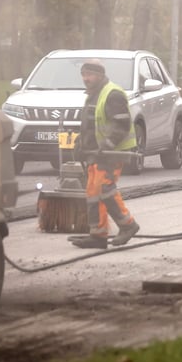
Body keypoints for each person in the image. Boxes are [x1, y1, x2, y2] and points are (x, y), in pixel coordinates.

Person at [71, 59, 140, 249]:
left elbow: (122, 124)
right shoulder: (93, 95)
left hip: (112, 152)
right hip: (97, 153)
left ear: (100, 75)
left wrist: (107, 145)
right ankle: (98, 235)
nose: (86, 78)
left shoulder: (113, 94)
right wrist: (80, 144)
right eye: (83, 74)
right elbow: (91, 125)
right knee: (93, 192)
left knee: (104, 189)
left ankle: (128, 225)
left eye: (89, 74)